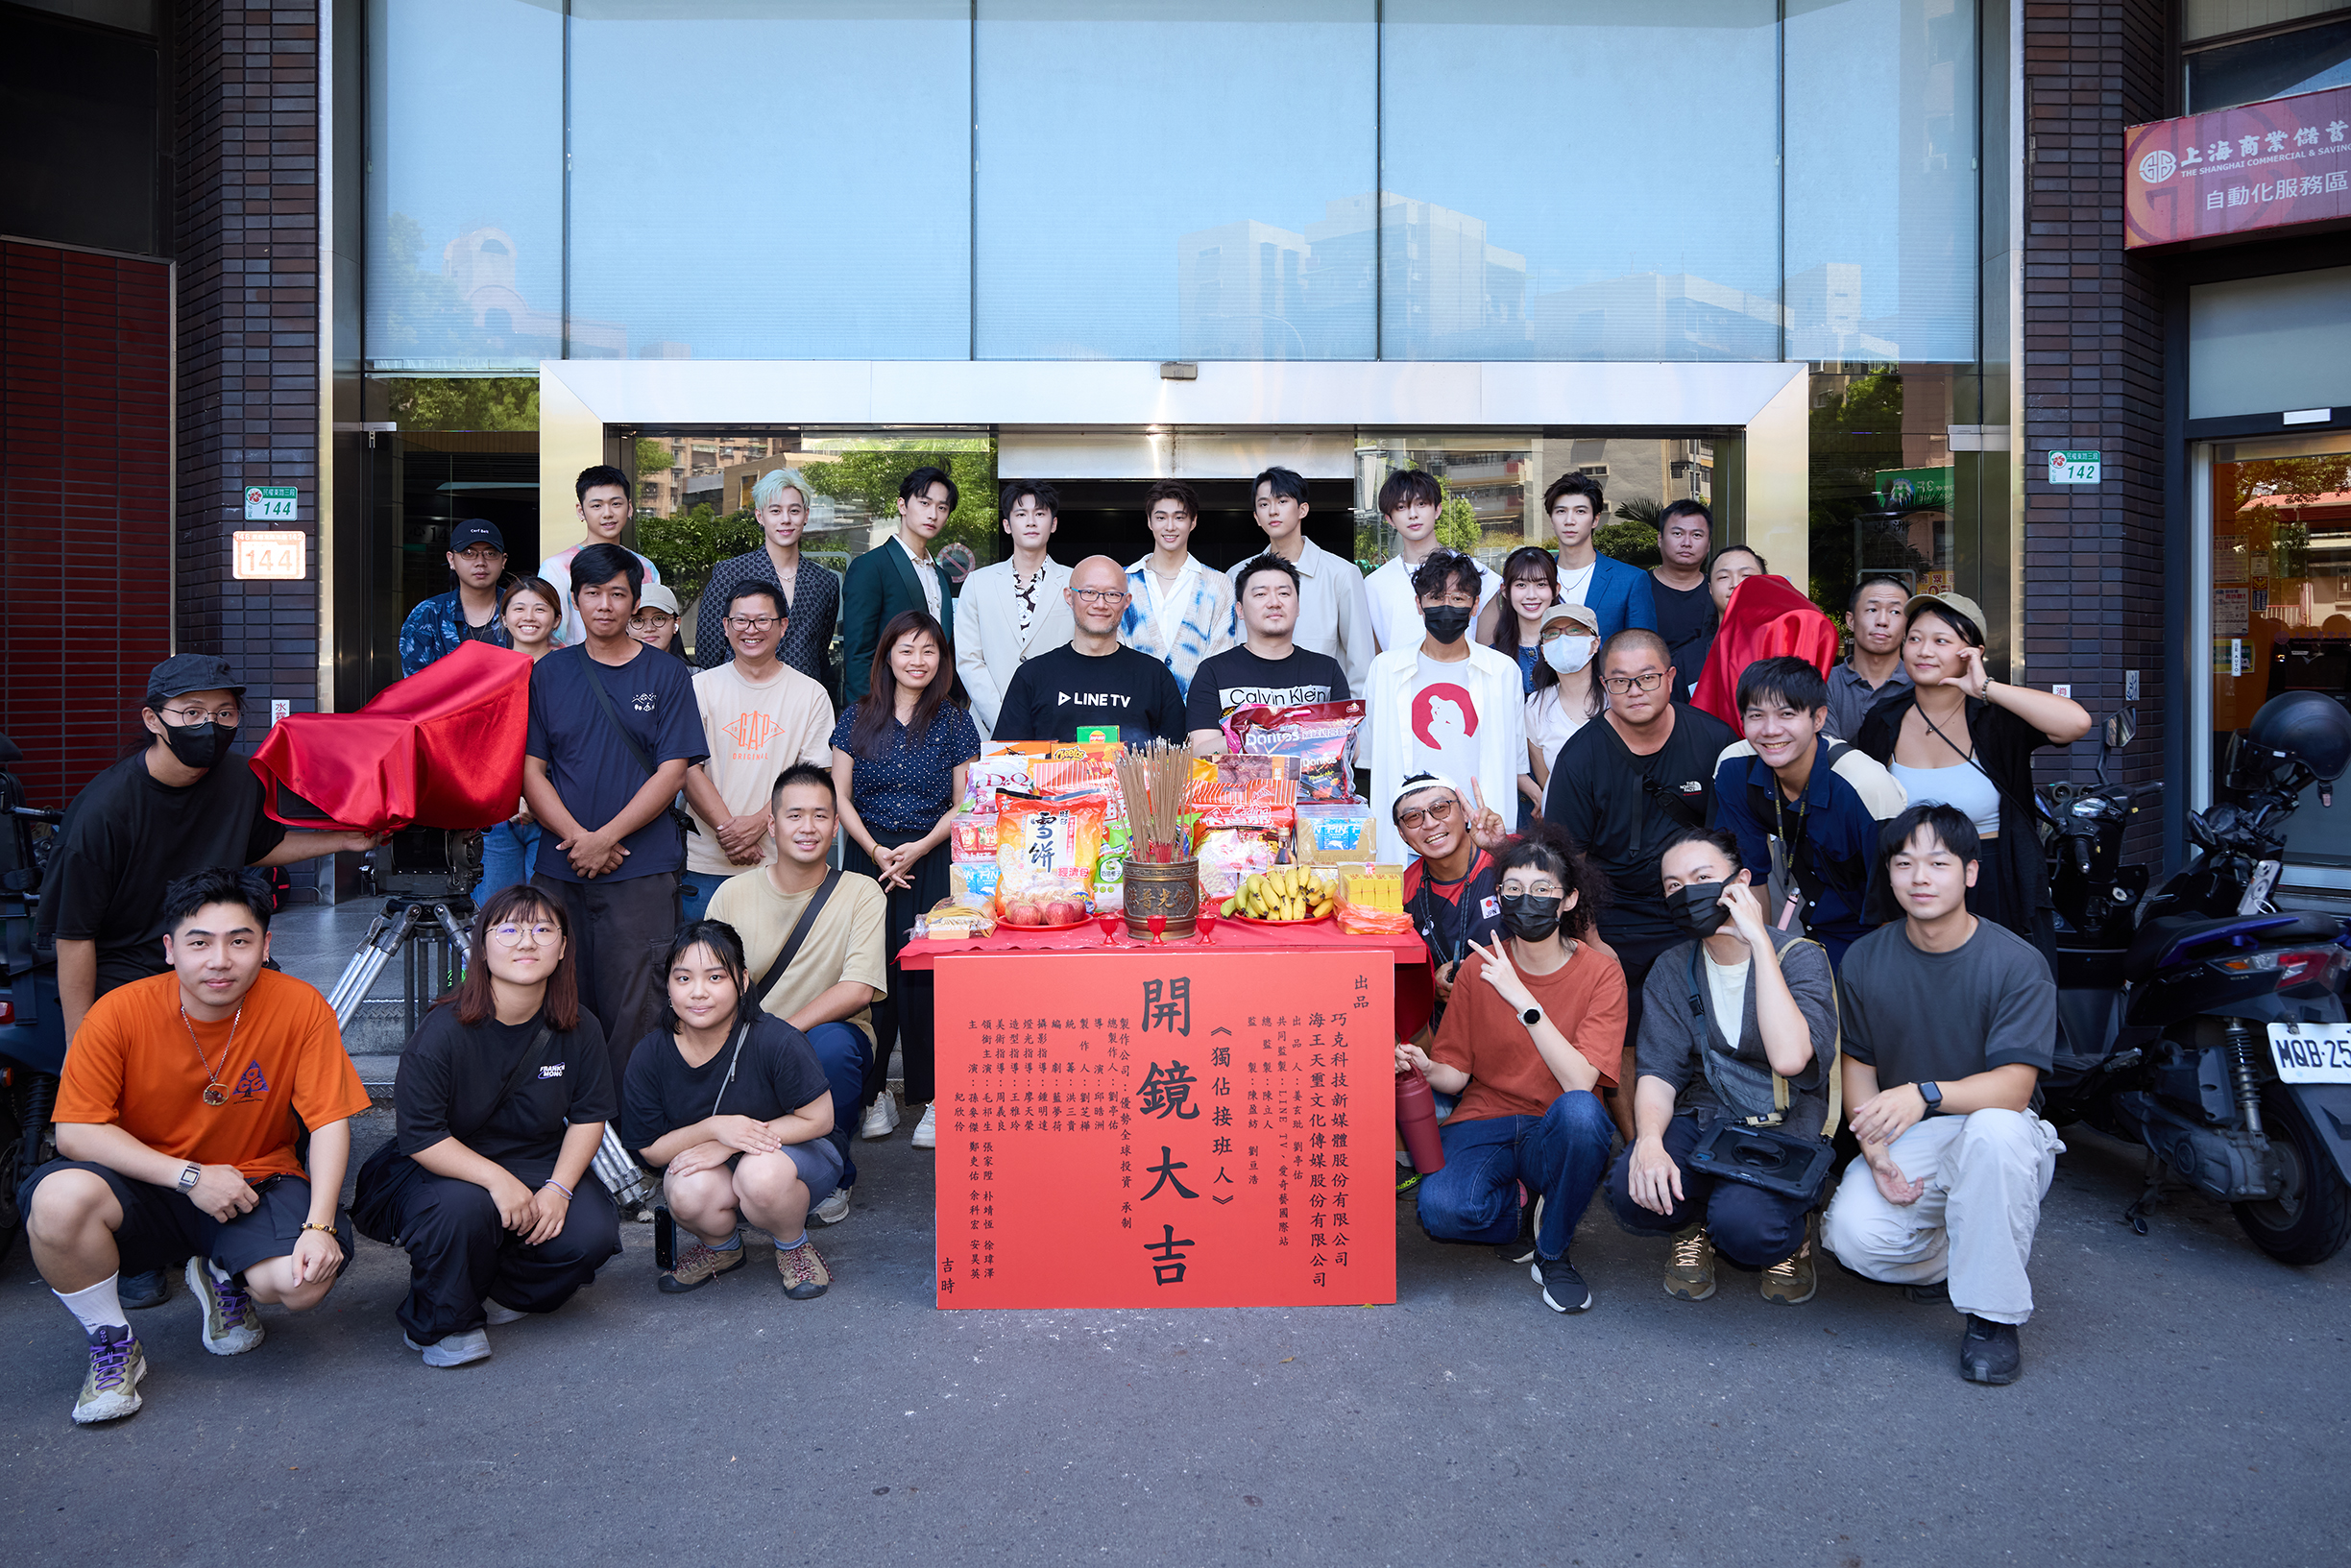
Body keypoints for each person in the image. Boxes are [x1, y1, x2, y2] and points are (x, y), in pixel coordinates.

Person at [37, 657, 376, 1312]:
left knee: (262, 1091)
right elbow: (73, 936)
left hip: (216, 957)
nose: (209, 726)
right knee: (127, 1112)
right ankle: (140, 1251)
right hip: (128, 966)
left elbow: (257, 847)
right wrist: (81, 1040)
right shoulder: (104, 810)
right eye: (191, 713)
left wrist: (342, 841)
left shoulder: (238, 780)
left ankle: (251, 1227)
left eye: (223, 713)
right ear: (153, 720)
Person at [19, 868, 368, 1423]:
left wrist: (320, 1225)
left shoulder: (300, 1007)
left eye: (239, 941)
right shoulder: (118, 1011)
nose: (219, 961)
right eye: (199, 942)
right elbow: (76, 1131)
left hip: (254, 1179)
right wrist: (189, 1176)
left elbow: (329, 1120)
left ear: (266, 946)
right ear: (170, 949)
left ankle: (221, 1271)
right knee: (58, 1200)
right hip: (145, 1183)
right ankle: (112, 1341)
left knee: (301, 1285)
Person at [1820, 804, 2065, 1386]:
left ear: (1970, 873)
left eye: (1938, 862)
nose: (1920, 878)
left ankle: (1993, 1317)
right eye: (1904, 864)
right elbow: (1859, 1065)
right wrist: (1875, 1149)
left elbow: (2015, 1088)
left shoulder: (2016, 963)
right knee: (1851, 1237)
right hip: (1916, 1134)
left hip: (2002, 1132)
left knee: (1993, 1133)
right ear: (1889, 875)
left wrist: (1924, 1094)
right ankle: (1966, 1255)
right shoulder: (1865, 958)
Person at [351, 885, 618, 1368]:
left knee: (590, 1233)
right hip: (444, 1164)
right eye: (509, 929)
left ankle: (492, 1287)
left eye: (543, 930)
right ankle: (441, 1320)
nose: (526, 942)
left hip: (535, 1159)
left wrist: (558, 1189)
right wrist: (497, 1180)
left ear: (562, 948)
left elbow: (587, 1117)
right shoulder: (443, 1031)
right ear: (482, 945)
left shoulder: (581, 1027)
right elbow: (422, 1136)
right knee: (465, 1207)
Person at [1396, 827, 1626, 1315]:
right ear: (1499, 897)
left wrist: (1523, 999)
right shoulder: (1480, 970)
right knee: (1442, 1212)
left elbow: (1580, 1083)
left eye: (1543, 889)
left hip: (1556, 1125)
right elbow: (1456, 1075)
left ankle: (1553, 1251)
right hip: (1486, 1117)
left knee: (1583, 1114)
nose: (1527, 900)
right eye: (1514, 889)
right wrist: (1425, 1066)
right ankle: (1522, 1210)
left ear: (1568, 900)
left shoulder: (1602, 973)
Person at [1606, 830, 1838, 1307]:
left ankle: (1790, 1236)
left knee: (1747, 1228)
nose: (1687, 892)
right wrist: (1648, 1143)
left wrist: (1760, 943)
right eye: (1673, 885)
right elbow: (1659, 1071)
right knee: (1629, 1186)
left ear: (1741, 881)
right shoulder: (1673, 966)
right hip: (1706, 1114)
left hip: (1783, 1118)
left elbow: (1790, 1059)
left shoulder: (1800, 957)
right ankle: (1691, 1224)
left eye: (1702, 878)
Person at [523, 543, 707, 1093]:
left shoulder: (667, 674)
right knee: (557, 997)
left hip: (641, 869)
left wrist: (606, 837)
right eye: (593, 593)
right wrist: (578, 838)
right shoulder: (549, 674)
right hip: (561, 867)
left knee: (638, 1008)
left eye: (617, 594)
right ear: (575, 600)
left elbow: (674, 771)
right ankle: (566, 1123)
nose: (605, 605)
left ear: (634, 600)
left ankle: (630, 1131)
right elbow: (531, 771)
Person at [1542, 628, 1738, 1139]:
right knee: (1621, 1025)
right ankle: (1638, 1146)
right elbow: (1567, 863)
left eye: (1647, 678)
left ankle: (1719, 1131)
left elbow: (1736, 846)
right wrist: (1592, 940)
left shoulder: (1714, 740)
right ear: (1604, 685)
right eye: (1620, 681)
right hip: (1614, 914)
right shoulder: (1581, 756)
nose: (1635, 691)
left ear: (1670, 678)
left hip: (1698, 904)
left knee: (1720, 1015)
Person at [1853, 592, 2089, 954]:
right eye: (1914, 638)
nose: (1924, 651)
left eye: (1941, 641)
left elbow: (2076, 723)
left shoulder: (1996, 718)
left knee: (1999, 982)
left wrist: (1986, 688)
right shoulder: (1883, 718)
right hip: (1913, 880)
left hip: (1994, 879)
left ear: (1972, 653)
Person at [708, 765, 888, 1225]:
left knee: (835, 1047)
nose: (808, 827)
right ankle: (750, 1166)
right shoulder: (732, 894)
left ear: (835, 826)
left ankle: (835, 1173)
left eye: (820, 816)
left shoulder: (862, 892)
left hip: (823, 1036)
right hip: (747, 1040)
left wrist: (782, 1035)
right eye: (795, 815)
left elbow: (859, 988)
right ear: (772, 825)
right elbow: (712, 982)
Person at [623, 922, 838, 1301]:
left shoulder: (776, 1039)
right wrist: (714, 1129)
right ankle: (721, 1247)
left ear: (741, 981)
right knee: (682, 1187)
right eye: (684, 978)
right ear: (668, 986)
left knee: (760, 1174)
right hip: (719, 1172)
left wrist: (733, 1143)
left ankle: (793, 1245)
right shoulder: (650, 1054)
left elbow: (819, 1119)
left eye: (715, 977)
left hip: (796, 1163)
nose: (698, 992)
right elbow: (652, 1150)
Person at [829, 617, 979, 1153]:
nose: (918, 660)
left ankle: (935, 1096)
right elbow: (839, 796)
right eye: (907, 650)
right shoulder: (855, 716)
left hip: (932, 857)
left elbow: (965, 801)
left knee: (929, 980)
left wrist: (919, 848)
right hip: (869, 860)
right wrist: (876, 851)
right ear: (887, 655)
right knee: (870, 975)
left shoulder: (955, 721)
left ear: (942, 660)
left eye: (929, 651)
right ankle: (873, 1096)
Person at [1710, 656, 1907, 968]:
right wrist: (1763, 956)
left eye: (1787, 714)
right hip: (1793, 923)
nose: (1770, 730)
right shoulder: (1734, 767)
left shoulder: (1865, 787)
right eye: (1756, 715)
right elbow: (1750, 875)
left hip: (1865, 935)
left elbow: (1893, 899)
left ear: (1818, 718)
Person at [679, 581, 836, 925]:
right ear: (725, 626)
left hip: (782, 865)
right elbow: (687, 769)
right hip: (705, 865)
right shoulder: (698, 688)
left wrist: (756, 825)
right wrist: (730, 832)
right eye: (741, 620)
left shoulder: (810, 694)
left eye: (763, 620)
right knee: (704, 957)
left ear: (783, 625)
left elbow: (813, 779)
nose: (751, 630)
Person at [1365, 550, 1529, 866]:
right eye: (1436, 597)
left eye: (1458, 598)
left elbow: (1515, 757)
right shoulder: (1385, 670)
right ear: (1418, 604)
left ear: (1475, 605)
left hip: (1482, 833)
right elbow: (1373, 751)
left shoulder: (1503, 671)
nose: (1447, 607)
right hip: (1407, 838)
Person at [996, 557, 1187, 746]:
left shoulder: (1154, 676)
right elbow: (1006, 757)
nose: (1100, 604)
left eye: (1112, 594)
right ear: (1069, 597)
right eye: (1088, 592)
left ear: (1126, 601)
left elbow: (1178, 757)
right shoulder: (1032, 675)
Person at [1227, 467, 1372, 700]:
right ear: (1256, 517)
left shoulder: (1341, 574)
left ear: (1302, 509)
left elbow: (1361, 665)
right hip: (1253, 714)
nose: (1273, 511)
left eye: (1282, 501)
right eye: (1264, 504)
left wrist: (1351, 718)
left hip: (1322, 716)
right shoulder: (1237, 575)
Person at [1184, 553, 1348, 753]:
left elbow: (1350, 746)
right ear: (1240, 610)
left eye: (1284, 593)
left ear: (1298, 607)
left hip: (1314, 775)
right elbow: (1200, 751)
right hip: (1240, 775)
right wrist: (1266, 734)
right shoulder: (1213, 672)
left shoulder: (1327, 671)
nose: (1274, 602)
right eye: (1260, 594)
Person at [1391, 773, 1514, 1039]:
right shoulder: (1401, 893)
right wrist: (1431, 987)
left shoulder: (1511, 861)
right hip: (1447, 1032)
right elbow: (1397, 979)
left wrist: (1502, 850)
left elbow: (1562, 915)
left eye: (1440, 808)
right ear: (1402, 834)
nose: (1430, 823)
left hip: (1520, 1017)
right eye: (1413, 817)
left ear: (1465, 814)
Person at [696, 467, 841, 688]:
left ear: (806, 516)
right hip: (741, 694)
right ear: (759, 516)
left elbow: (818, 653)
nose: (786, 519)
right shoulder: (730, 573)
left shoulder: (824, 582)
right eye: (775, 511)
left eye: (794, 510)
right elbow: (709, 652)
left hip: (802, 697)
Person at [956, 479, 1075, 737]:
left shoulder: (1075, 582)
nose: (1031, 522)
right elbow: (968, 659)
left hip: (1058, 725)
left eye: (1040, 514)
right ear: (1007, 525)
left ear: (1053, 524)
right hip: (990, 725)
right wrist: (1004, 720)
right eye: (1021, 514)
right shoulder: (978, 582)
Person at [1484, 471, 1654, 644]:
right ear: (1551, 520)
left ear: (1595, 519)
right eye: (1561, 511)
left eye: (1580, 511)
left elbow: (1644, 648)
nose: (1569, 520)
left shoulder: (1631, 580)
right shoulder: (1534, 578)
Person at [842, 466, 957, 705]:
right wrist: (865, 714)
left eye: (942, 507)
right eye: (924, 503)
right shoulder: (870, 567)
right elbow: (858, 654)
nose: (933, 514)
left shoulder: (942, 577)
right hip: (884, 708)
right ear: (902, 505)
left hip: (935, 707)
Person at [477, 576, 563, 902]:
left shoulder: (573, 670)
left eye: (540, 609)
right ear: (503, 617)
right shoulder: (486, 672)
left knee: (549, 913)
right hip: (498, 814)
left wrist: (537, 798)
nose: (529, 617)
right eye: (519, 608)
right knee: (495, 912)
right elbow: (478, 744)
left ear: (556, 619)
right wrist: (511, 796)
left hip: (558, 813)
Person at [1118, 478, 1238, 702]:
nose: (1170, 526)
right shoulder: (1122, 581)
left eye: (1179, 517)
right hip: (1132, 707)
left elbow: (1221, 656)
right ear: (1149, 522)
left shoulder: (1218, 584)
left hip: (1198, 711)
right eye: (1161, 517)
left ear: (1193, 522)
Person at [1362, 468, 1496, 653]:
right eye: (1401, 507)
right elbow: (1376, 656)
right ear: (1389, 519)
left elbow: (1489, 654)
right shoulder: (1373, 585)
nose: (1413, 514)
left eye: (1421, 504)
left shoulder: (1479, 574)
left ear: (1437, 509)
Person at [540, 465, 662, 650]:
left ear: (629, 508)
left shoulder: (646, 567)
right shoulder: (556, 567)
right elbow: (551, 635)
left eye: (616, 504)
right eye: (597, 505)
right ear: (581, 511)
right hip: (576, 664)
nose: (608, 513)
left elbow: (652, 626)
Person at [398, 518, 513, 675]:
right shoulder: (428, 614)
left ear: (503, 561)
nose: (480, 562)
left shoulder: (521, 609)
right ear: (451, 559)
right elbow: (416, 682)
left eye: (490, 553)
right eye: (469, 553)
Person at [1524, 602, 1603, 806]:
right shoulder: (1536, 706)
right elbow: (1547, 781)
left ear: (1595, 643)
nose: (1563, 639)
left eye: (1575, 630)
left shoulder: (1617, 696)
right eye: (1552, 633)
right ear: (1543, 650)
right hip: (1566, 816)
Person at [1826, 573, 1916, 741]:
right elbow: (1828, 748)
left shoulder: (1919, 684)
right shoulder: (1825, 682)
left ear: (1908, 626)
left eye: (1895, 612)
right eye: (1872, 610)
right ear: (1851, 621)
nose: (1882, 621)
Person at [1649, 500, 1715, 694]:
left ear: (1709, 544)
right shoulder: (1637, 588)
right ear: (1660, 538)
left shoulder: (1718, 592)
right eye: (1677, 533)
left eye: (1697, 535)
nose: (1687, 543)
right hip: (1649, 692)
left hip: (1706, 696)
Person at [1488, 545, 1563, 695]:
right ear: (1505, 591)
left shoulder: (1570, 648)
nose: (1531, 595)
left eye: (1541, 584)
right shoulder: (1492, 657)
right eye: (1521, 585)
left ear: (1555, 589)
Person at [629, 583, 692, 663]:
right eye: (638, 620)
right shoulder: (615, 670)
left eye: (659, 618)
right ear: (627, 628)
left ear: (676, 623)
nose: (649, 628)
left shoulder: (690, 671)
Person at [1707, 543, 1766, 620]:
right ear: (1710, 588)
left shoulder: (1778, 627)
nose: (1735, 584)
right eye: (1724, 577)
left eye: (1746, 575)